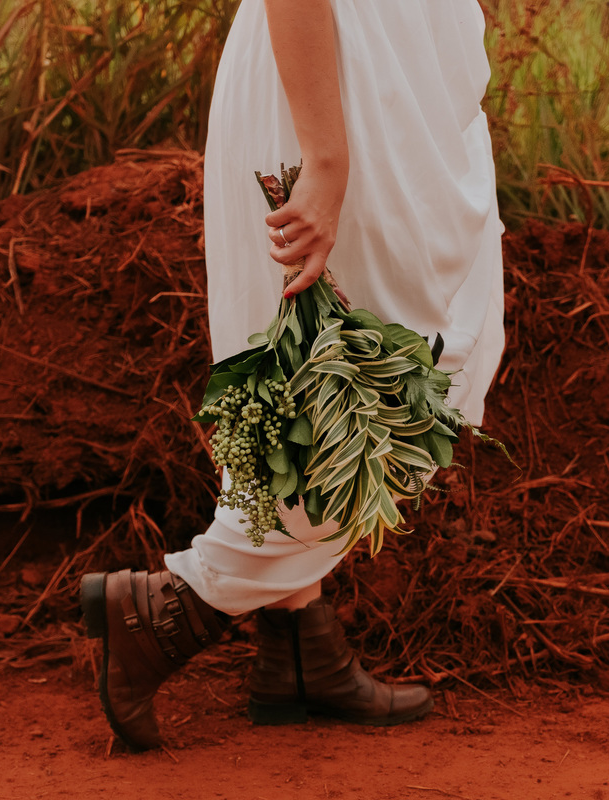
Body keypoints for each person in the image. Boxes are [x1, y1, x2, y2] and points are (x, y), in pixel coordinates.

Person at [79, 0, 505, 751]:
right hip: (339, 91)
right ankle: (173, 610)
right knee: (373, 390)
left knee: (320, 381)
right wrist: (328, 159)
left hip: (391, 86)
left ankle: (301, 651)